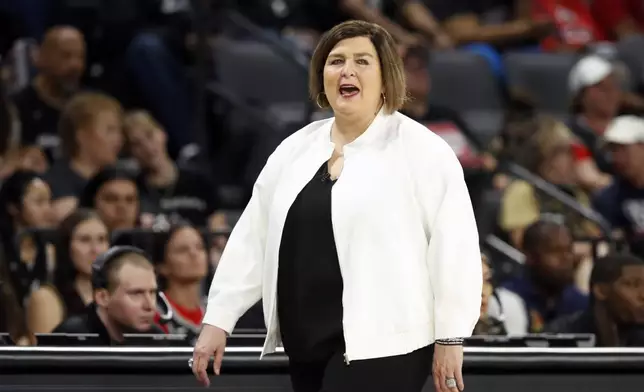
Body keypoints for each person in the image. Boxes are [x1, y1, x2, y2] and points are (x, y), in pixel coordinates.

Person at [191, 20, 482, 392]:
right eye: (336, 61)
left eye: (362, 61)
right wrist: (218, 319)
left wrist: (451, 337)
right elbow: (253, 237)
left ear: (386, 76)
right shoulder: (295, 149)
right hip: (307, 341)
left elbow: (454, 249)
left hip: (387, 342)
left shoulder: (423, 151)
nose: (347, 70)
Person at [53, 245, 163, 344]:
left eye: (152, 292)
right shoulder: (70, 339)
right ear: (102, 297)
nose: (150, 306)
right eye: (136, 293)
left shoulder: (156, 339)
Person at [546, 253, 644, 346]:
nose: (642, 295)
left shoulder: (639, 336)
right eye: (633, 284)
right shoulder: (561, 337)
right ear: (601, 291)